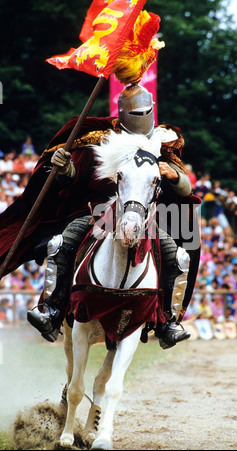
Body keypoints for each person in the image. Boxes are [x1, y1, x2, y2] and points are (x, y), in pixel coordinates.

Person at [0, 84, 198, 349]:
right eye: (136, 112)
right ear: (123, 113)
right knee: (62, 243)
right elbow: (75, 179)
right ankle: (53, 308)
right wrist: (65, 168)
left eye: (146, 111)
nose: (142, 116)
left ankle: (167, 320)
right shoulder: (97, 136)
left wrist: (176, 177)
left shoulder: (163, 140)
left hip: (145, 218)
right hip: (96, 214)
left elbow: (185, 189)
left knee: (175, 254)